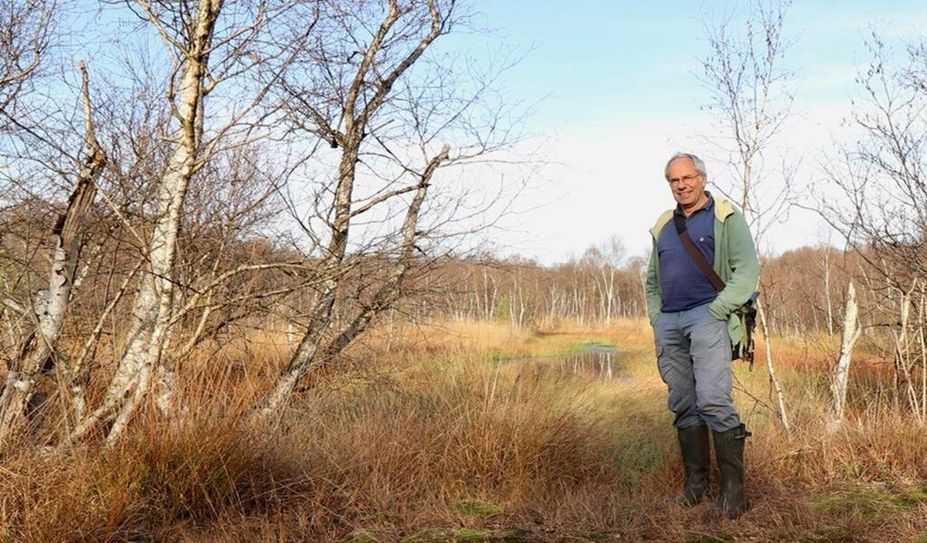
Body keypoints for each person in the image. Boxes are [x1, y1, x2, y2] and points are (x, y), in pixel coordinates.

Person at [645, 152, 760, 519]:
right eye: (674, 180)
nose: (681, 185)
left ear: (702, 178)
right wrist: (656, 317)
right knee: (683, 403)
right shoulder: (664, 224)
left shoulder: (726, 218)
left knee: (713, 399)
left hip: (708, 317)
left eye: (687, 178)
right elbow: (651, 279)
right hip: (670, 322)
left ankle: (733, 494)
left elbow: (747, 271)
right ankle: (696, 487)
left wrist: (717, 309)